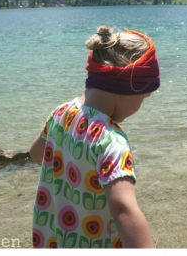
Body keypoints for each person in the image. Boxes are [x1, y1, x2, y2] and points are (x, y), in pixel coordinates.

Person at [30, 26, 160, 248]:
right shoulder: (111, 142)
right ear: (127, 87)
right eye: (143, 97)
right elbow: (123, 208)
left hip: (55, 241)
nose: (140, 105)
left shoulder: (61, 113)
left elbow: (35, 154)